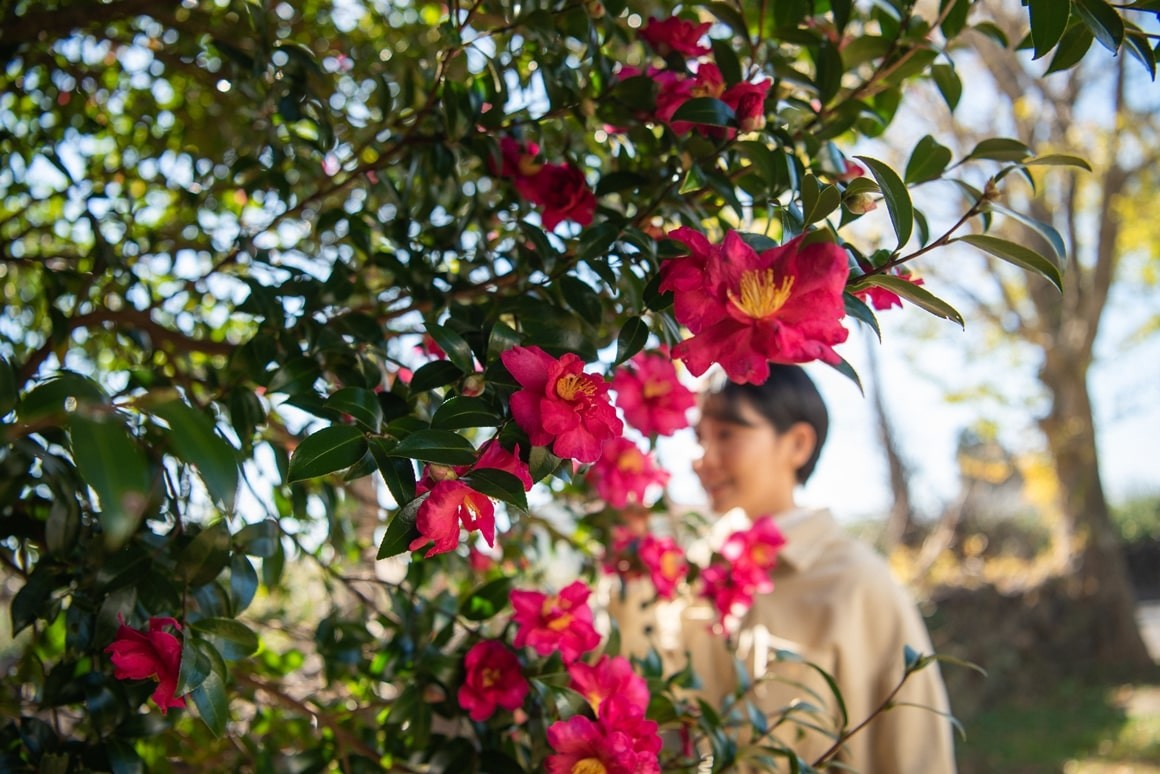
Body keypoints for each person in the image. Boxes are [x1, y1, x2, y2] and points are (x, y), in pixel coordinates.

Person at [609, 365, 957, 773]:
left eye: (727, 434)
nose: (702, 459)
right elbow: (644, 692)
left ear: (797, 444)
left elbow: (914, 749)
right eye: (700, 438)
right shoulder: (696, 571)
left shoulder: (855, 581)